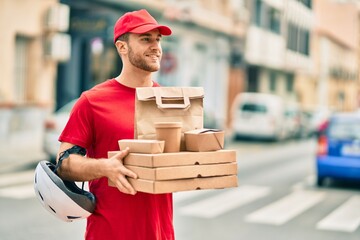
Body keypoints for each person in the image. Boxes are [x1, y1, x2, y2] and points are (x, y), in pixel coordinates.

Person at [57, 9, 174, 240]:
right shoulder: (92, 101)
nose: (156, 46)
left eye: (158, 39)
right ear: (122, 47)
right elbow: (64, 164)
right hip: (109, 233)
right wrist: (105, 167)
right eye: (145, 39)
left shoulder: (169, 101)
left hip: (161, 233)